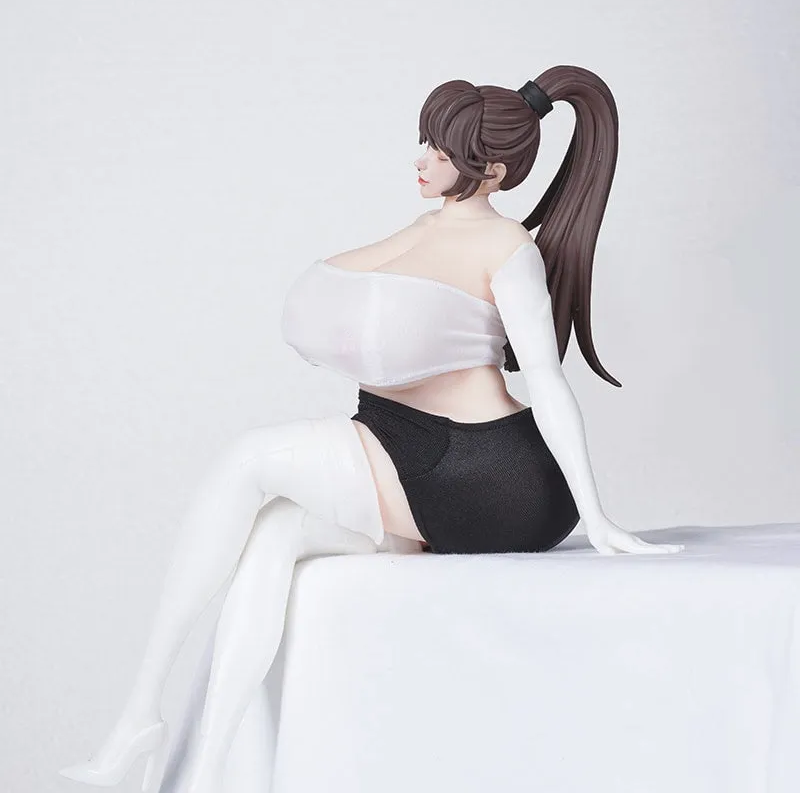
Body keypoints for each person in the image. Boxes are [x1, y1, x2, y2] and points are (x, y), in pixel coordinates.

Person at [59, 65, 684, 793]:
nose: (421, 160)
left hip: (487, 474)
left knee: (249, 461)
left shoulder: (508, 249)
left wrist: (596, 515)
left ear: (493, 171)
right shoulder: (425, 228)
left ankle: (138, 715)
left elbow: (544, 376)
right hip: (405, 446)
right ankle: (202, 774)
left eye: (440, 152)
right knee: (273, 538)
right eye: (424, 143)